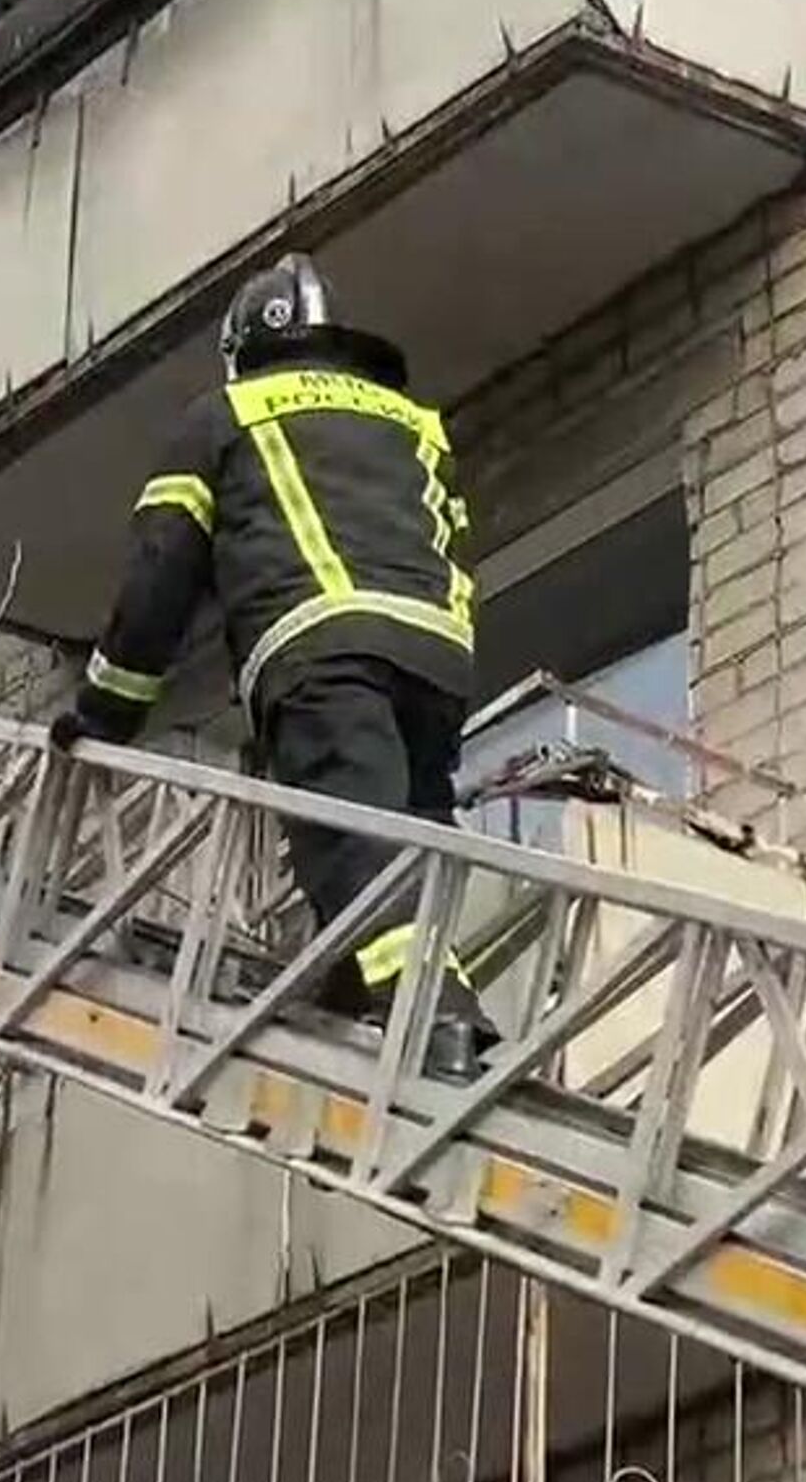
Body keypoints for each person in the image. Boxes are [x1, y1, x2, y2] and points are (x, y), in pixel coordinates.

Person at [49, 253, 491, 1076]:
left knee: (353, 841)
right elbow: (453, 540)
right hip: (435, 662)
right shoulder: (411, 419)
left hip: (321, 650)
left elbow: (162, 567)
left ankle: (439, 1021)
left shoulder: (225, 415)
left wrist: (105, 710)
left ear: (241, 347)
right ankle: (361, 986)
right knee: (407, 842)